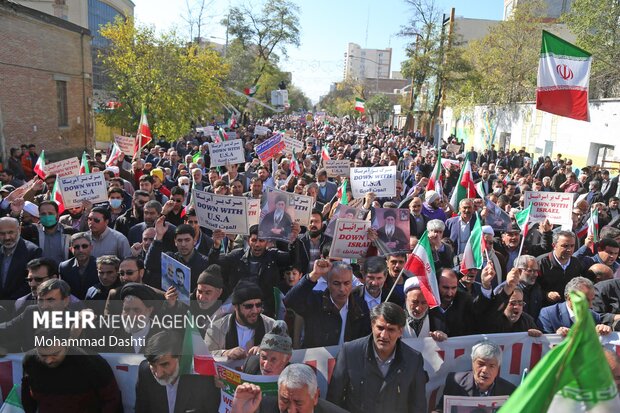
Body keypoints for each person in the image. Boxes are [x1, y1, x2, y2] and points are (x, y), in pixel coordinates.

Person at [327, 302, 428, 413]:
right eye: (380, 328)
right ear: (372, 325)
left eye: (391, 330)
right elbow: (333, 401)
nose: (384, 335)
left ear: (400, 331)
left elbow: (418, 406)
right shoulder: (350, 352)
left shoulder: (413, 359)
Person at [21, 328, 123, 413]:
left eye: (55, 354)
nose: (48, 361)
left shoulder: (91, 362)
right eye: (42, 355)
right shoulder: (30, 361)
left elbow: (112, 400)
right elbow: (28, 398)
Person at [283, 260, 370, 348]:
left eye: (346, 283)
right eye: (336, 283)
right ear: (327, 283)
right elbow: (289, 301)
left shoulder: (360, 306)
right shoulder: (315, 301)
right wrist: (314, 275)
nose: (342, 289)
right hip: (317, 359)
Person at [135, 330, 220, 413]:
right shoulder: (145, 371)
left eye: (165, 364)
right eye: (153, 365)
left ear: (180, 358)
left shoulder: (202, 377)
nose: (159, 374)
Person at [434, 340, 516, 412]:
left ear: (498, 368)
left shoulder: (509, 391)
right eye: (481, 364)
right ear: (473, 363)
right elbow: (441, 409)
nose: (485, 370)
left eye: (491, 366)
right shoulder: (455, 382)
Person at [231, 364, 348, 413]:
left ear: (315, 396)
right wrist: (238, 410)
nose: (291, 410)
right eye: (285, 400)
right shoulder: (263, 408)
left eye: (298, 402)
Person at [204, 280, 276, 358]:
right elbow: (204, 356)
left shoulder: (272, 327)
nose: (255, 311)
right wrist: (225, 353)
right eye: (249, 306)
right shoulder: (216, 329)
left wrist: (265, 350)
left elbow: (285, 354)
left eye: (258, 305)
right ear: (235, 307)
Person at [537, 276, 612, 336]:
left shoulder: (594, 317)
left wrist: (605, 330)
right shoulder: (548, 314)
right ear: (570, 298)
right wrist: (557, 337)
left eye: (592, 300)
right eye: (585, 300)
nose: (590, 305)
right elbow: (544, 345)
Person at [0, 217, 42, 300]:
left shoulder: (32, 251)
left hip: (19, 305)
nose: (7, 237)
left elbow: (31, 282)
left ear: (19, 230)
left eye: (10, 232)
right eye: (2, 234)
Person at [402, 277, 448, 341]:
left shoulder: (438, 318)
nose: (418, 308)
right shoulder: (394, 316)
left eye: (424, 303)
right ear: (406, 298)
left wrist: (442, 336)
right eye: (415, 302)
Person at [59, 232, 99, 300]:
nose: (81, 250)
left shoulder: (99, 266)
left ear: (91, 247)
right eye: (76, 247)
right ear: (71, 249)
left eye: (84, 246)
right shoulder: (64, 267)